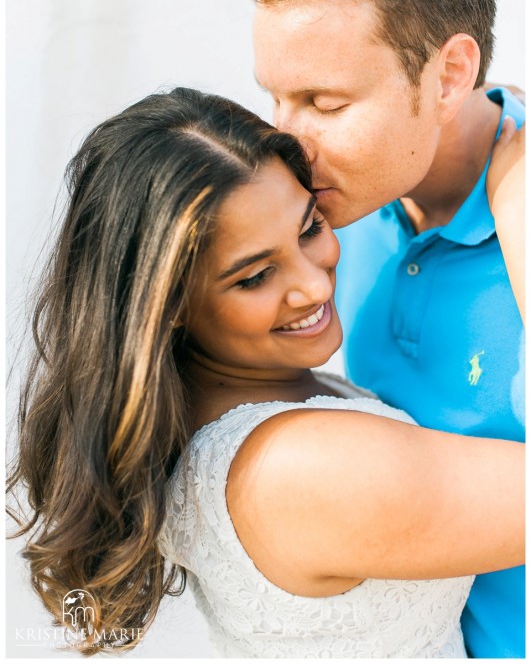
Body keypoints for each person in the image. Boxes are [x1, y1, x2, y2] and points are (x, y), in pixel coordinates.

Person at [8, 87, 524, 658]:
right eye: (254, 276)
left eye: (309, 229)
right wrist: (520, 204)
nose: (316, 284)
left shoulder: (217, 401)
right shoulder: (302, 469)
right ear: (167, 304)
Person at [233, 0, 525, 657]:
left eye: (323, 103)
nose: (285, 142)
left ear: (450, 74)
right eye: (275, 98)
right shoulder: (320, 218)